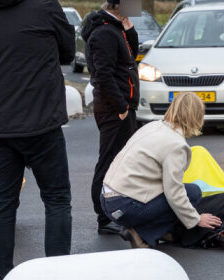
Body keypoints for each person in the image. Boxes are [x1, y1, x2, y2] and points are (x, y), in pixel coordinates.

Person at [0, 0, 75, 280]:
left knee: (4, 202)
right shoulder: (44, 5)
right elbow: (67, 51)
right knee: (56, 200)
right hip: (41, 120)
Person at [101, 93, 223, 248]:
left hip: (106, 198)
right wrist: (196, 219)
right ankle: (143, 234)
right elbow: (174, 193)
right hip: (125, 206)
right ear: (196, 116)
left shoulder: (152, 126)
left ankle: (156, 231)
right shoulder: (177, 145)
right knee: (192, 192)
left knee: (173, 194)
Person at [80, 0, 139, 235]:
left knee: (121, 162)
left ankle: (116, 212)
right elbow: (103, 74)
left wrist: (129, 27)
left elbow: (131, 55)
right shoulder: (104, 32)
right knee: (107, 162)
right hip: (114, 108)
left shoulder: (114, 27)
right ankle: (103, 218)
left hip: (123, 106)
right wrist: (121, 106)